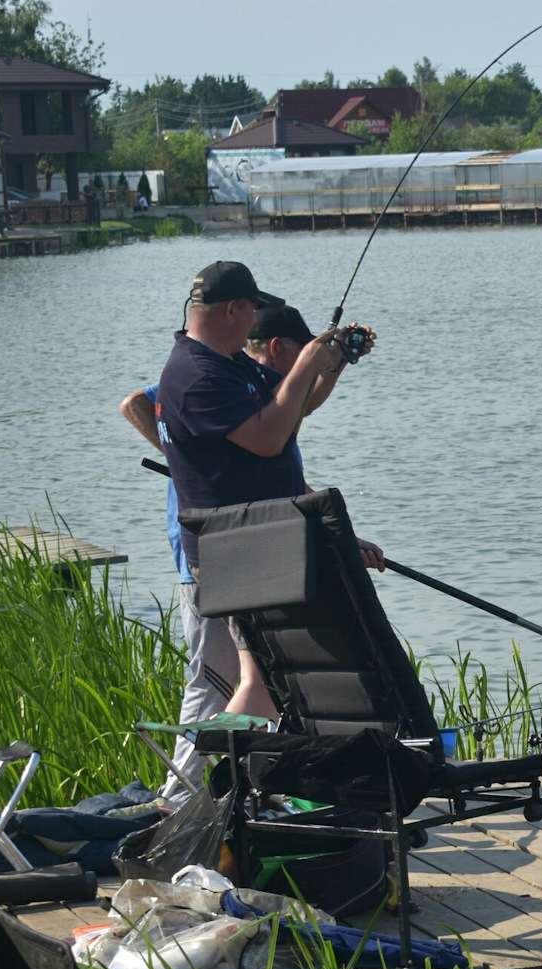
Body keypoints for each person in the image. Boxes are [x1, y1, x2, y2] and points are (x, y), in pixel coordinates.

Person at [151, 261, 380, 788]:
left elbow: (293, 408)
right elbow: (267, 438)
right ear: (232, 309)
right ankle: (198, 792)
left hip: (260, 550)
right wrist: (307, 362)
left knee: (265, 681)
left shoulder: (227, 364)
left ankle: (236, 787)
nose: (254, 317)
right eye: (251, 307)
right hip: (237, 555)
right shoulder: (194, 373)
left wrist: (334, 360)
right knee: (253, 682)